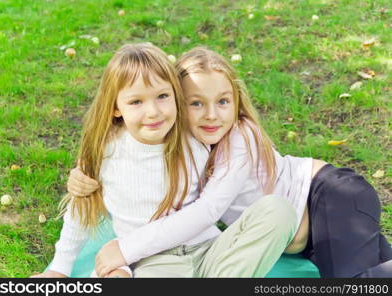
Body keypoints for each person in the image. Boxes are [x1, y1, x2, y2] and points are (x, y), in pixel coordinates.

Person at [69, 46, 392, 278]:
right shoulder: (178, 135)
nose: (211, 114)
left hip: (327, 196)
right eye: (196, 103)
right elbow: (132, 133)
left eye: (223, 101)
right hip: (300, 235)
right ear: (178, 103)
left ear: (236, 101)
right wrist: (83, 173)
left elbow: (209, 208)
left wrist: (125, 249)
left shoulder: (240, 138)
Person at [31, 43, 296, 278]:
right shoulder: (105, 150)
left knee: (278, 210)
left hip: (210, 249)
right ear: (115, 107)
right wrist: (59, 268)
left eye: (162, 96)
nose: (154, 112)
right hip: (156, 263)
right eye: (136, 102)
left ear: (176, 96)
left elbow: (211, 205)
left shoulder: (194, 138)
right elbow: (81, 210)